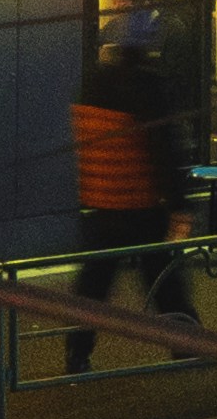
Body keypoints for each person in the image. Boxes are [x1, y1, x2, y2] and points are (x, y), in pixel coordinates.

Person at [67, 43, 195, 352]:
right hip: (141, 201)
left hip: (101, 200)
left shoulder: (90, 86)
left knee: (94, 282)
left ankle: (77, 349)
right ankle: (186, 342)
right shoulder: (148, 89)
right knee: (164, 278)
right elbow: (165, 152)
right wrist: (179, 205)